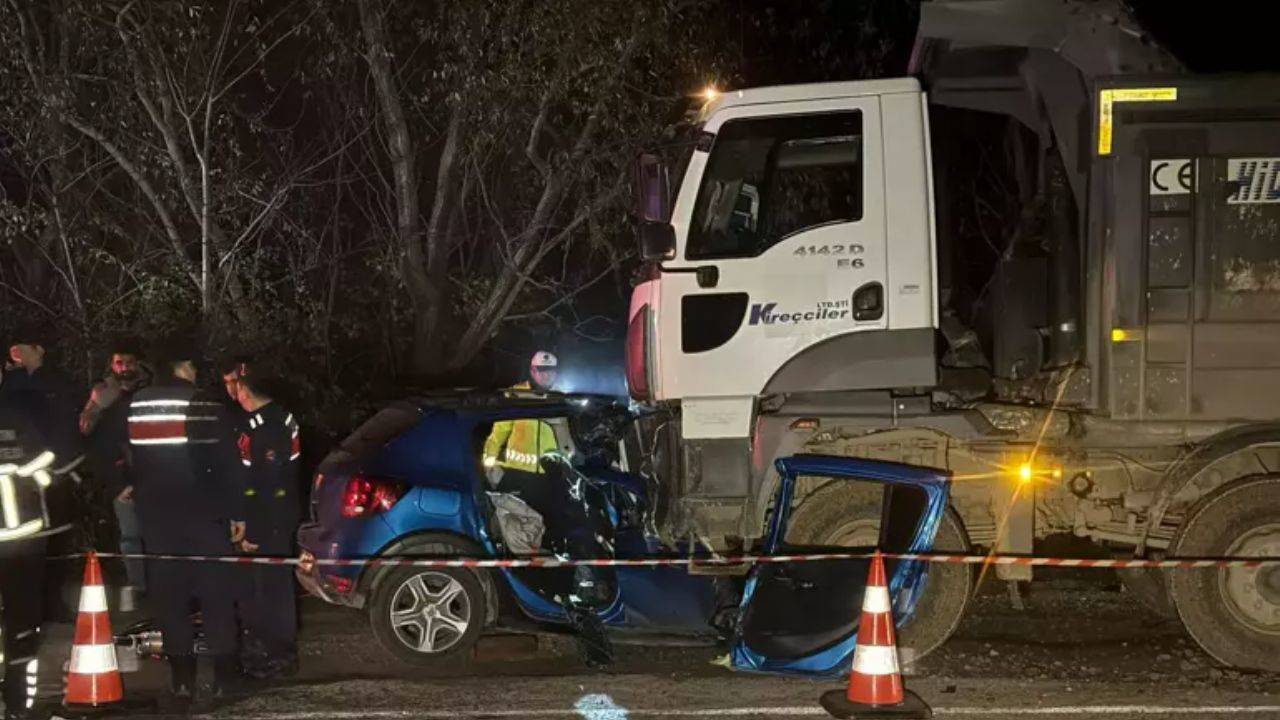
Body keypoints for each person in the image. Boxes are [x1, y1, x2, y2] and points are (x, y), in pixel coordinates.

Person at [126, 339, 245, 702]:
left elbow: (125, 454)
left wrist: (131, 486)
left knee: (170, 594)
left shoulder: (136, 404)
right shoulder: (204, 403)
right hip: (202, 512)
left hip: (157, 515)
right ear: (185, 367)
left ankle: (181, 678)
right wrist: (238, 512)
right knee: (216, 593)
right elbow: (226, 461)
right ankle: (225, 675)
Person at [231, 371, 301, 680]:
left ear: (243, 387)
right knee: (265, 586)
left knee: (270, 588)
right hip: (275, 516)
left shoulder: (267, 425)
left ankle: (278, 655)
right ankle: (268, 650)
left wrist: (254, 529)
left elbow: (265, 482)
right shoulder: (277, 418)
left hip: (270, 520)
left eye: (231, 383)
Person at [0, 391, 62, 719]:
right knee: (21, 623)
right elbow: (45, 458)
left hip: (21, 537)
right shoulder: (16, 413)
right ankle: (16, 703)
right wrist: (29, 472)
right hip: (23, 539)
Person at [80, 342, 149, 608]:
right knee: (130, 537)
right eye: (118, 363)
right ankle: (138, 590)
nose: (124, 368)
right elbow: (90, 436)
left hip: (156, 476)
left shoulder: (151, 390)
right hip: (122, 479)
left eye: (129, 362)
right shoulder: (103, 394)